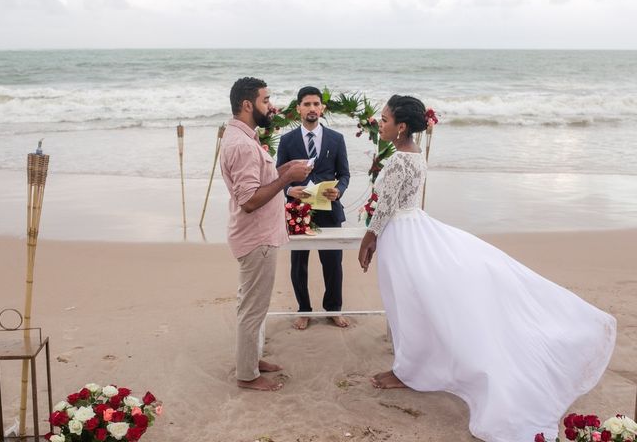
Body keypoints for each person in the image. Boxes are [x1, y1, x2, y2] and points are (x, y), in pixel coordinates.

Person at [357, 95, 616, 442]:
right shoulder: (414, 154)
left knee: (409, 305)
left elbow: (385, 207)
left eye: (386, 119)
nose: (381, 123)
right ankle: (409, 368)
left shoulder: (399, 161)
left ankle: (410, 371)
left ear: (401, 126)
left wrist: (369, 238)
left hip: (403, 237)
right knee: (415, 305)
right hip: (415, 228)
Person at [220, 77, 313, 391]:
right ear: (247, 104)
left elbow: (253, 186)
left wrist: (283, 171)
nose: (271, 106)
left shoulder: (241, 137)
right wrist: (286, 175)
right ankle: (247, 376)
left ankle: (251, 358)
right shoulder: (243, 145)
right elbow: (249, 201)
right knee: (253, 308)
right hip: (256, 237)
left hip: (255, 235)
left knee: (251, 303)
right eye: (265, 100)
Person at [276, 86, 351, 330]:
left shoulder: (336, 139)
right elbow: (278, 175)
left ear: (322, 108)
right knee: (299, 263)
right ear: (298, 108)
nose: (312, 108)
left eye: (316, 104)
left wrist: (339, 190)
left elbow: (345, 174)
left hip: (329, 210)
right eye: (306, 104)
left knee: (333, 263)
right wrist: (289, 191)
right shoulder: (287, 141)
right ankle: (304, 309)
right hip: (298, 211)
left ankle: (333, 309)